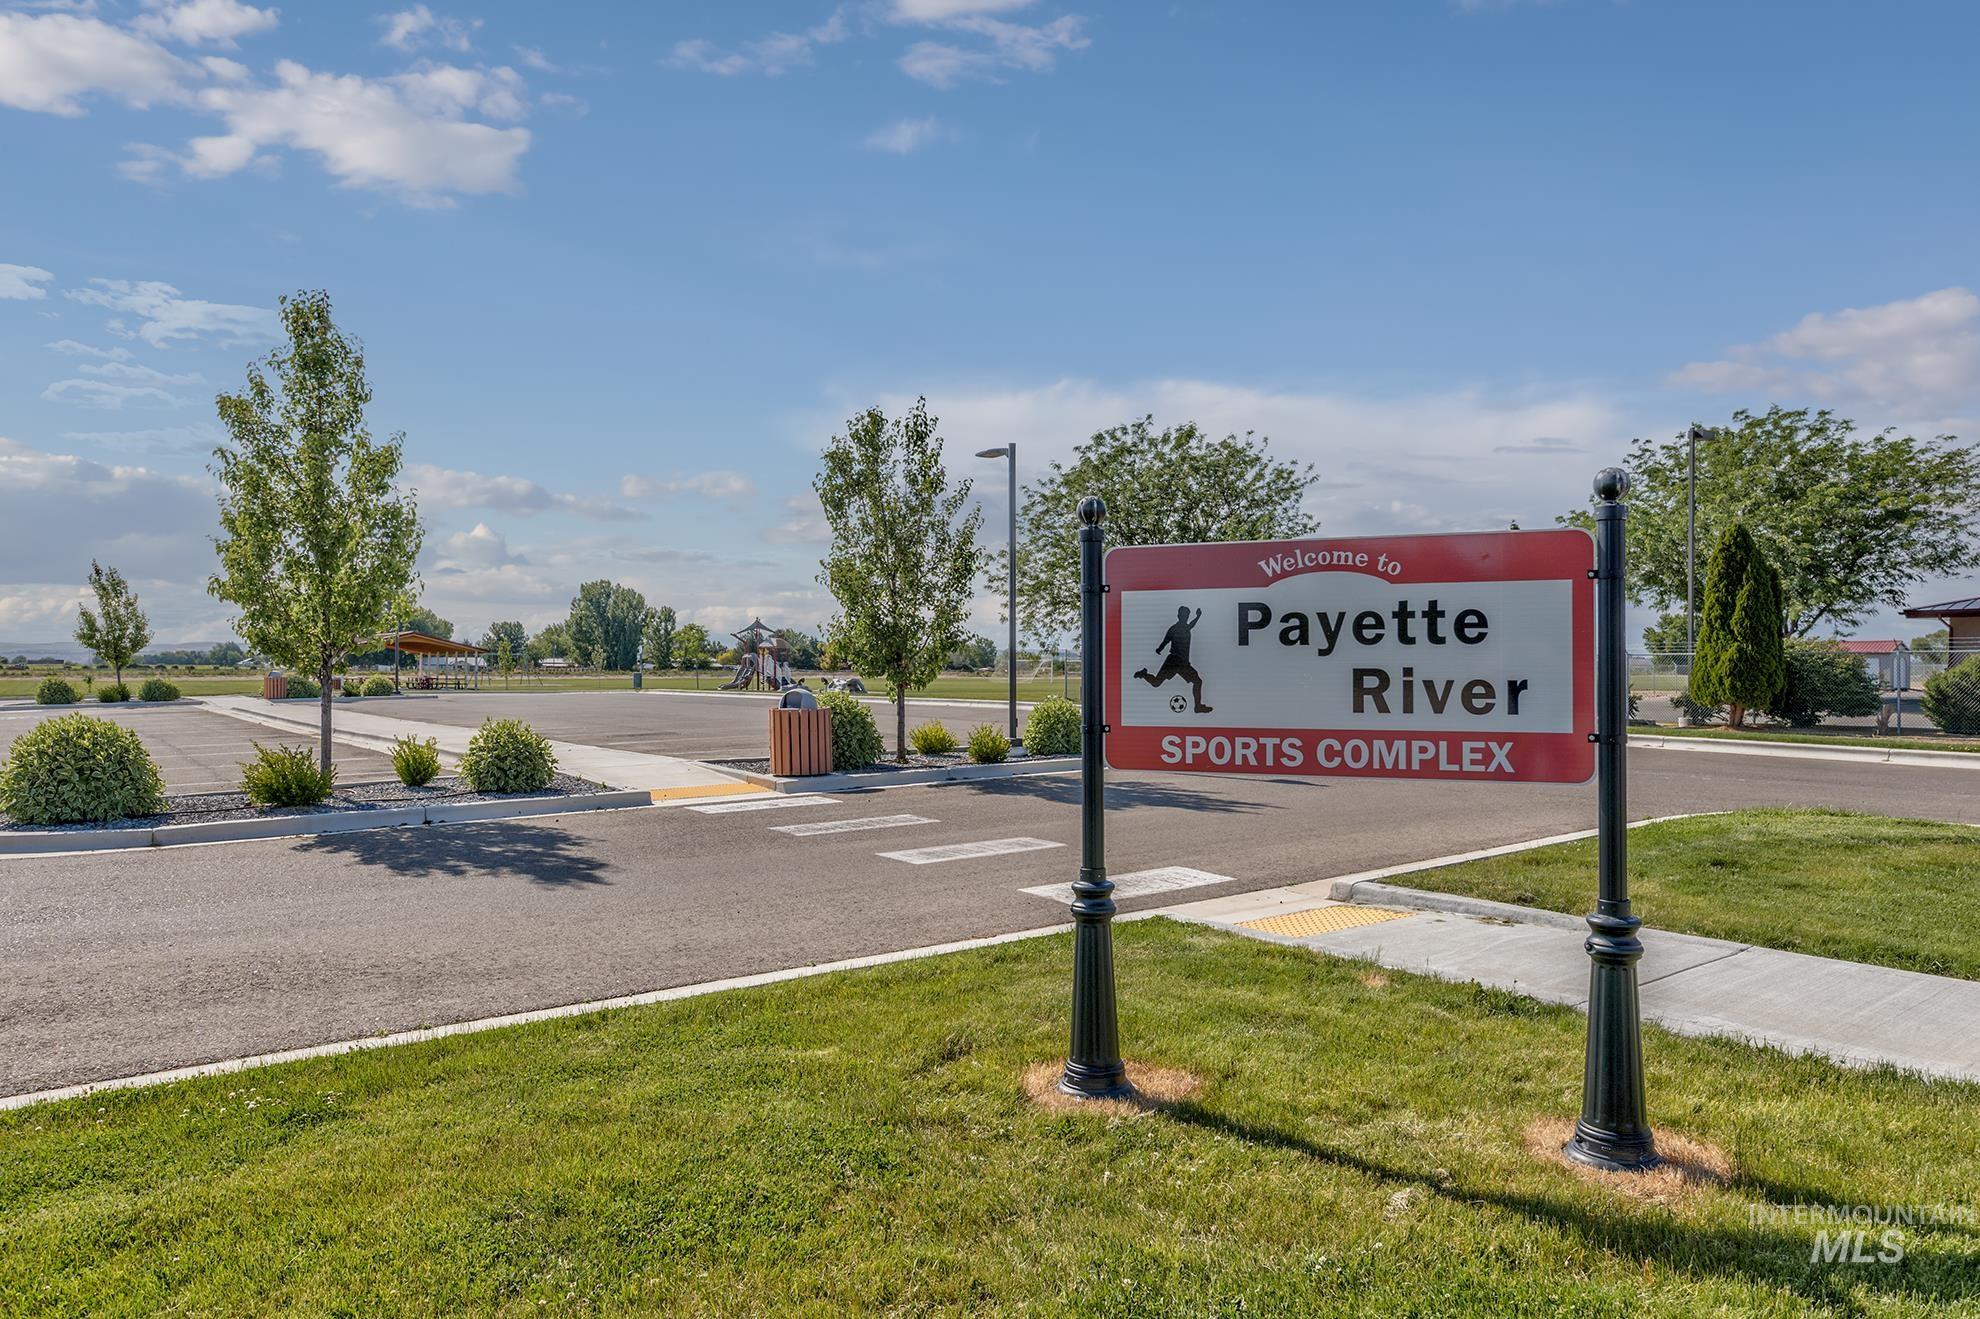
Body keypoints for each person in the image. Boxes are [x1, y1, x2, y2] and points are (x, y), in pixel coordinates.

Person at [1134, 606, 1212, 713]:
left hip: (1181, 663)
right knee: (1157, 683)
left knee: (1197, 681)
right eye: (1184, 615)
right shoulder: (1175, 628)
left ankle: (1198, 706)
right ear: (1179, 616)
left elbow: (1191, 625)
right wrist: (1159, 648)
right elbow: (1166, 640)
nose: (1185, 617)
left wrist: (1198, 616)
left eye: (1187, 616)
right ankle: (1143, 674)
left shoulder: (1186, 627)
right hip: (1174, 661)